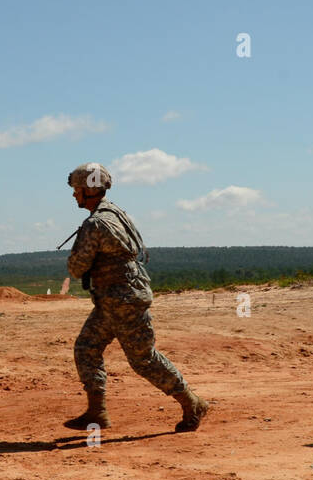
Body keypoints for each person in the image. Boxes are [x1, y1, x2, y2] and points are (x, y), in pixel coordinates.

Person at [63, 162, 209, 433]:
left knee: (144, 359)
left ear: (88, 190)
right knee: (87, 348)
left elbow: (76, 267)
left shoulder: (95, 223)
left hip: (122, 301)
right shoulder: (116, 212)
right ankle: (97, 412)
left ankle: (193, 403)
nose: (74, 195)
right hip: (115, 300)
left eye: (76, 189)